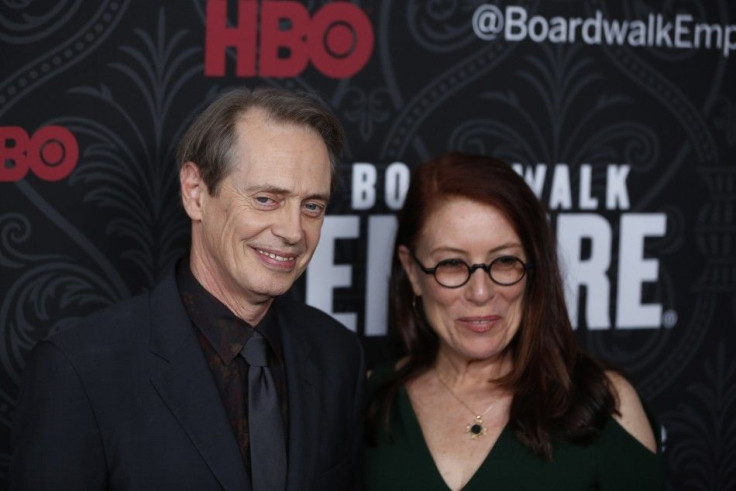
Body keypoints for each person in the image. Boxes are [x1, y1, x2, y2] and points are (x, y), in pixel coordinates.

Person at [10, 87, 365, 490]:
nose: (292, 231)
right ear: (195, 192)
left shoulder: (338, 357)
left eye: (312, 206)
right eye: (266, 199)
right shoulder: (80, 371)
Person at [363, 153, 664, 490]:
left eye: (504, 261)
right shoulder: (367, 399)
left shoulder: (605, 404)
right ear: (412, 272)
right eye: (452, 264)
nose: (480, 292)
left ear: (534, 268)